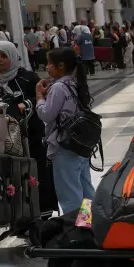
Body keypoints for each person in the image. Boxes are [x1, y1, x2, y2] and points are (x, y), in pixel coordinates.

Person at [0, 41, 57, 212]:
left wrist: (25, 104)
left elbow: (40, 98)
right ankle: (15, 214)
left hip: (28, 137)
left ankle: (46, 214)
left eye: (4, 56)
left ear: (13, 57)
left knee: (36, 174)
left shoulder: (27, 78)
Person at [36, 47, 95, 216]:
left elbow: (46, 115)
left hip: (64, 145)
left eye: (49, 64)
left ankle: (74, 231)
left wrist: (39, 97)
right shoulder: (76, 83)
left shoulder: (59, 87)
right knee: (85, 189)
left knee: (69, 193)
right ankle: (87, 225)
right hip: (81, 144)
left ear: (60, 66)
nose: (47, 67)